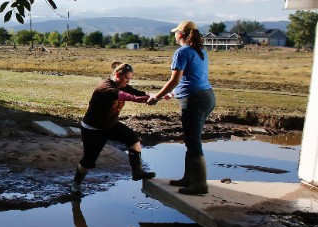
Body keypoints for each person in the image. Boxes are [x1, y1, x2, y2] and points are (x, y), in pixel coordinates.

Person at [147, 20, 216, 195]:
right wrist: (174, 93)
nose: (174, 35)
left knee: (193, 141)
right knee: (192, 139)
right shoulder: (200, 51)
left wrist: (157, 96)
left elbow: (175, 80)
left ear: (181, 35)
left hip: (194, 100)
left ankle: (200, 184)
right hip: (207, 96)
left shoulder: (182, 52)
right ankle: (188, 178)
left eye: (176, 32)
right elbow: (191, 78)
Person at [71, 62, 155, 195]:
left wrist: (153, 95)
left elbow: (136, 92)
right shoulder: (105, 86)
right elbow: (125, 96)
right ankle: (76, 184)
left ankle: (137, 172)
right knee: (88, 161)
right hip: (93, 129)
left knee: (133, 139)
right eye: (126, 78)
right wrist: (140, 99)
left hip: (111, 125)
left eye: (130, 79)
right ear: (117, 75)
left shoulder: (123, 85)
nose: (128, 81)